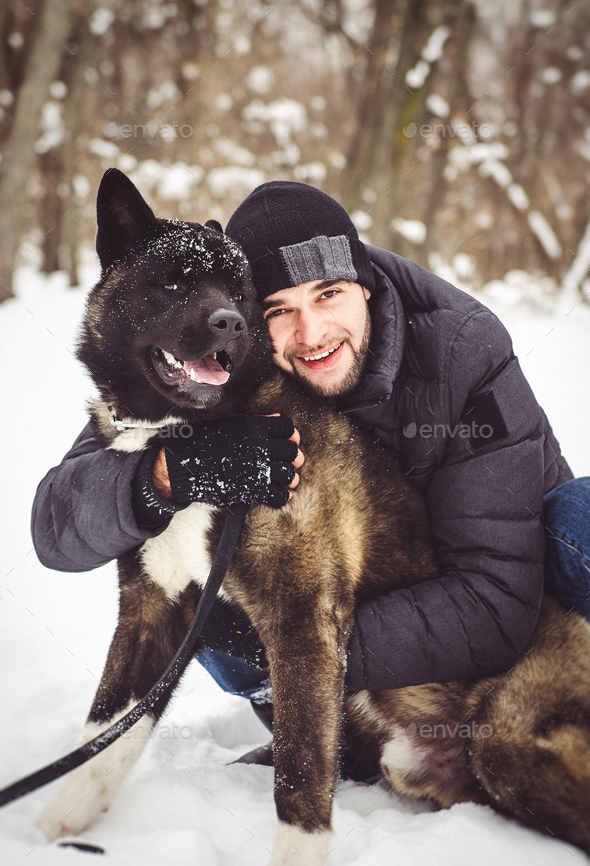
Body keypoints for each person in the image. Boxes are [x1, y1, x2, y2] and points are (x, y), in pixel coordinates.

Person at [32, 180, 590, 764]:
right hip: (323, 638)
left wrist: (295, 643)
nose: (312, 333)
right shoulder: (210, 371)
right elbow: (57, 525)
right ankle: (351, 735)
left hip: (522, 604)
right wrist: (164, 474)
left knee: (578, 517)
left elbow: (494, 602)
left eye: (330, 294)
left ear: (366, 288)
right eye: (279, 311)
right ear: (242, 318)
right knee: (197, 577)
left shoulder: (460, 351)